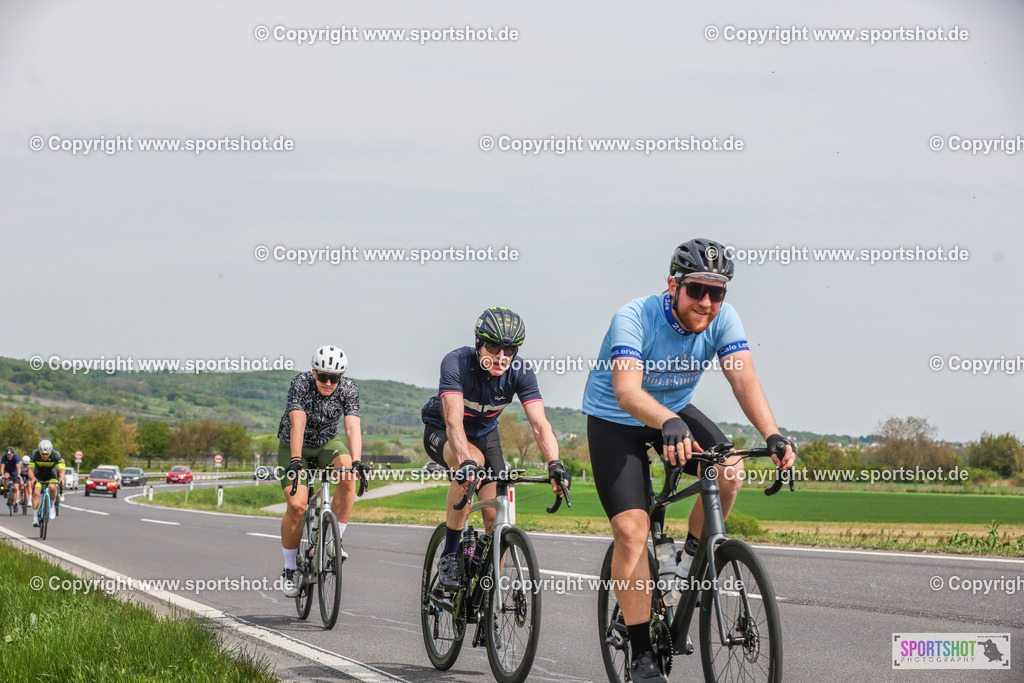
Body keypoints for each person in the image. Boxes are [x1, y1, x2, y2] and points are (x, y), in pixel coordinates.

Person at [581, 239, 796, 683]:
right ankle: (641, 654)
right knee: (631, 531)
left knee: (730, 469)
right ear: (673, 286)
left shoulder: (723, 318)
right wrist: (666, 422)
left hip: (674, 413)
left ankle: (690, 565)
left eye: (717, 293)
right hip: (616, 419)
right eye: (697, 290)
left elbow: (743, 379)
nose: (707, 302)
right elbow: (626, 391)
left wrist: (771, 434)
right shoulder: (634, 318)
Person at [421, 306, 569, 590]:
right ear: (479, 344)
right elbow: (453, 420)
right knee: (471, 466)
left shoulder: (521, 371)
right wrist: (464, 461)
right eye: (493, 347)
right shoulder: (456, 362)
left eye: (510, 350)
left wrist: (555, 464)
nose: (501, 357)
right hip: (444, 430)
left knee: (496, 516)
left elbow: (540, 424)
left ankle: (491, 594)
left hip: (486, 435)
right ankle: (451, 554)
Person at [276, 345, 367, 598]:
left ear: (342, 376)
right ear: (314, 372)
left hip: (328, 443)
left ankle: (332, 543)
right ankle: (290, 568)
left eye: (334, 378)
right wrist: (295, 459)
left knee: (348, 474)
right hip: (296, 445)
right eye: (322, 376)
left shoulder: (349, 388)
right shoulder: (301, 383)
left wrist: (357, 460)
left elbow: (351, 426)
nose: (328, 382)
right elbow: (298, 423)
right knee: (297, 505)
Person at [29, 439, 66, 527]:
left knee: (52, 488)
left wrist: (61, 479)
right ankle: (35, 518)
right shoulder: (35, 454)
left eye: (47, 454)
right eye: (42, 454)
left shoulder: (56, 455)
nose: (45, 456)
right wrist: (33, 478)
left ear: (50, 452)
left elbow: (61, 470)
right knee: (36, 493)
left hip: (51, 474)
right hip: (39, 474)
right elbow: (30, 470)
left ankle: (52, 507)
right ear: (39, 452)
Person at [1, 447, 22, 512]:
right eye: (8, 454)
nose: (9, 456)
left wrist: (19, 475)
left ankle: (16, 503)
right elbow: (2, 466)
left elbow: (18, 466)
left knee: (16, 487)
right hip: (7, 471)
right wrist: (2, 475)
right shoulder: (4, 457)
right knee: (6, 477)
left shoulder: (16, 457)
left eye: (10, 454)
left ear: (13, 454)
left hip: (14, 471)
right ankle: (6, 489)